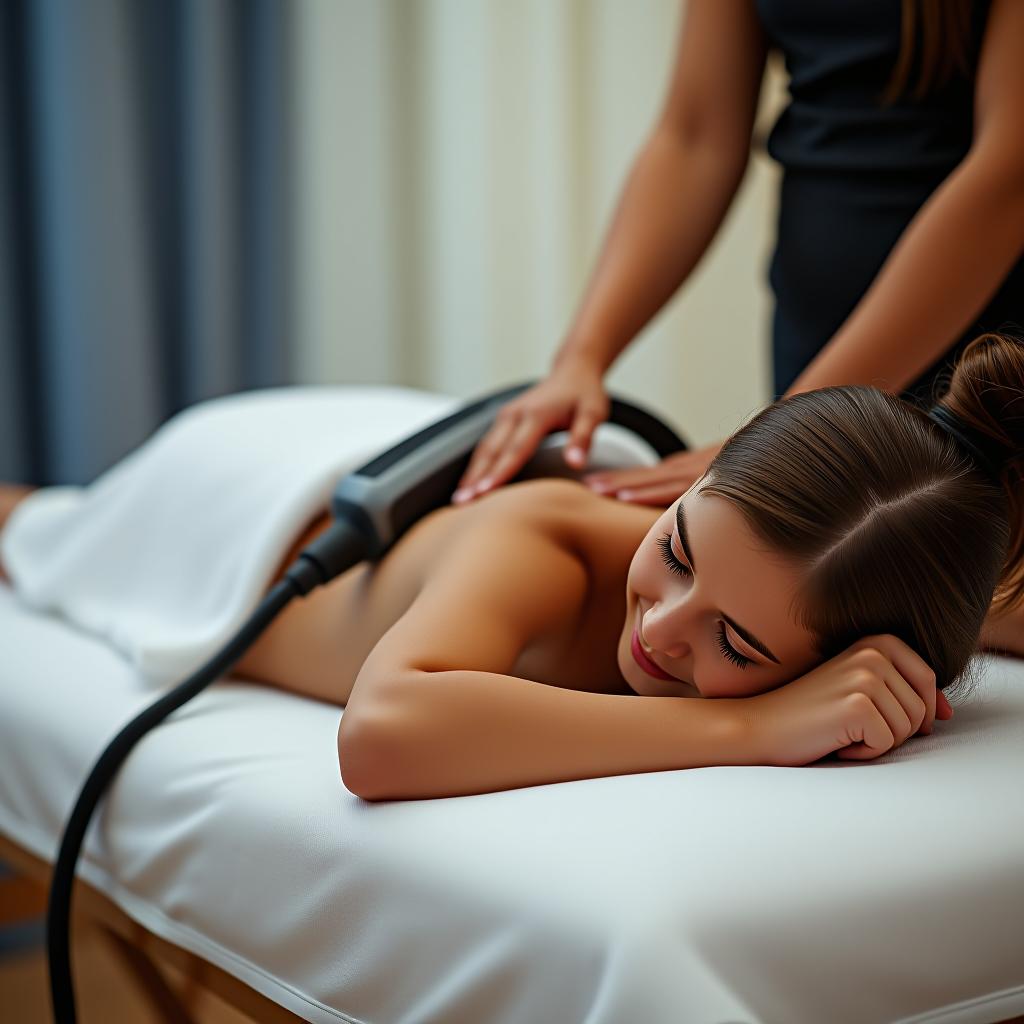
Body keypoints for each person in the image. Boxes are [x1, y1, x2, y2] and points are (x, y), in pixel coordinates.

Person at [1, 333, 1022, 801]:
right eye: (675, 550)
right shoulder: (548, 544)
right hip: (243, 496)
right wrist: (750, 717)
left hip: (393, 464)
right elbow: (383, 734)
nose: (663, 628)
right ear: (695, 481)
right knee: (41, 532)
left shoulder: (871, 585)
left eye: (738, 642)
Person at [453, 0, 1024, 508]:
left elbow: (1007, 177)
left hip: (985, 365)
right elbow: (696, 136)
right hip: (816, 351)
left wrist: (783, 434)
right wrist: (581, 358)